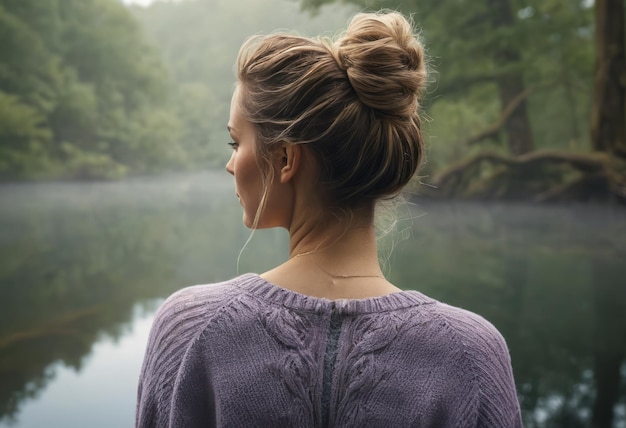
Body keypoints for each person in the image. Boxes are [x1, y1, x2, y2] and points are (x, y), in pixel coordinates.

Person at [136, 10, 522, 427]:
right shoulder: (470, 353)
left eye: (236, 141)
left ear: (285, 159)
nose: (231, 164)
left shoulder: (192, 329)